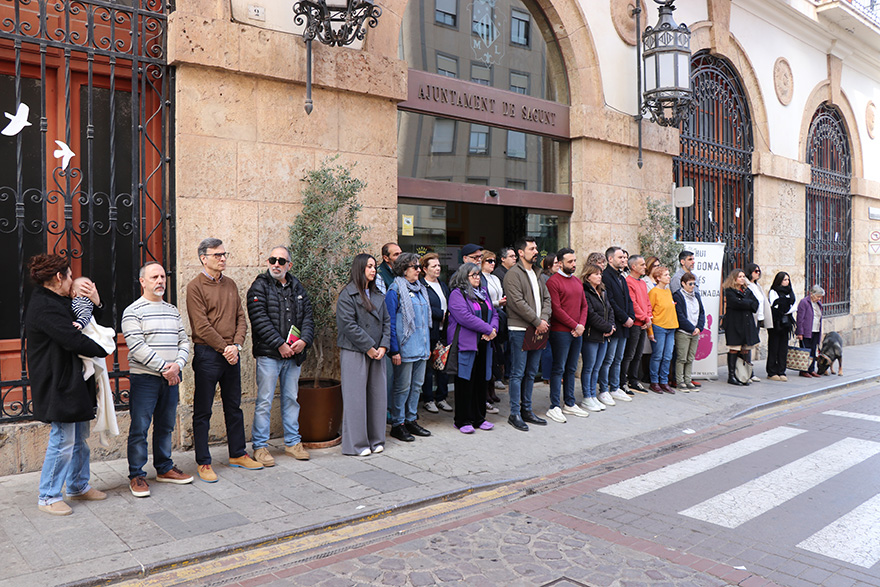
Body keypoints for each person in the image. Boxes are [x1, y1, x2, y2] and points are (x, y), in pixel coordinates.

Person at [26, 254, 110, 515]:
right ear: (59, 277)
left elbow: (86, 320)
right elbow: (72, 338)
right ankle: (48, 496)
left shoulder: (59, 300)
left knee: (80, 439)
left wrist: (96, 302)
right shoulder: (44, 305)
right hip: (58, 383)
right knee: (63, 440)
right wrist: (104, 349)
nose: (74, 281)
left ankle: (78, 485)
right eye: (70, 276)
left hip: (73, 382)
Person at [187, 238, 262, 483]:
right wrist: (225, 347)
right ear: (203, 258)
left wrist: (236, 346)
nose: (223, 258)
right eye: (217, 255)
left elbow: (241, 318)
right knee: (203, 410)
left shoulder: (230, 284)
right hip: (208, 354)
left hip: (232, 353)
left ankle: (238, 453)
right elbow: (201, 326)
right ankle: (203, 461)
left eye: (224, 254)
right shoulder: (195, 287)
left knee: (234, 406)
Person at [122, 262, 193, 498]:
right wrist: (165, 367)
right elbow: (136, 346)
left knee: (166, 425)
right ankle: (137, 475)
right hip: (145, 379)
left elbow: (184, 341)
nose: (160, 281)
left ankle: (164, 468)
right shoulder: (133, 311)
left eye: (162, 276)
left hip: (171, 377)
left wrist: (178, 365)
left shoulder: (172, 310)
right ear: (143, 282)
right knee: (140, 428)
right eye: (154, 277)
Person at [246, 246, 315, 466]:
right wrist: (280, 345)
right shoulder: (259, 286)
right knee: (265, 401)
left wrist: (304, 340)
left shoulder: (298, 287)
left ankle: (293, 443)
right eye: (273, 260)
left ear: (289, 265)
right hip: (269, 355)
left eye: (281, 261)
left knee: (291, 399)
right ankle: (260, 447)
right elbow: (259, 320)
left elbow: (308, 317)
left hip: (293, 356)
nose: (276, 264)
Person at [337, 254, 391, 456]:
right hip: (355, 351)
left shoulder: (378, 294)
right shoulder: (347, 295)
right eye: (369, 266)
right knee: (355, 398)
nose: (373, 270)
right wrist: (369, 346)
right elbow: (347, 325)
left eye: (374, 266)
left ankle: (377, 439)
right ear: (359, 268)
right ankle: (357, 444)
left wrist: (384, 346)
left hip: (378, 352)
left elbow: (387, 322)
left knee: (377, 396)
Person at [502, 237, 551, 431]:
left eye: (536, 248)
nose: (536, 251)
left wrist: (544, 320)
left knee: (531, 372)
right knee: (517, 373)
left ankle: (527, 410)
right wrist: (538, 322)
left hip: (538, 329)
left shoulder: (538, 273)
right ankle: (514, 413)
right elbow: (516, 303)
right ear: (521, 252)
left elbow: (547, 299)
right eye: (532, 248)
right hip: (520, 330)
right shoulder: (513, 274)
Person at [447, 263, 499, 433]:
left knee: (480, 382)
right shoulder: (457, 294)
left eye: (478, 274)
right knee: (465, 383)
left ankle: (479, 418)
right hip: (466, 345)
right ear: (464, 277)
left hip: (485, 344)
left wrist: (494, 330)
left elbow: (495, 313)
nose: (477, 277)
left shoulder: (483, 293)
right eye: (473, 275)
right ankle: (462, 420)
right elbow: (465, 317)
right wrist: (487, 329)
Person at [386, 252, 432, 442]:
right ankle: (398, 424)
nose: (419, 271)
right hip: (405, 348)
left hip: (421, 347)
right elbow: (390, 323)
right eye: (416, 267)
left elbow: (424, 321)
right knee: (402, 387)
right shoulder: (395, 290)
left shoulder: (421, 289)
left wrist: (427, 346)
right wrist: (394, 350)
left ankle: (411, 419)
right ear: (404, 270)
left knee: (417, 386)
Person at [545, 248, 591, 423]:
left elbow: (584, 306)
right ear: (560, 262)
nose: (574, 264)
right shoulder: (553, 282)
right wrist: (575, 325)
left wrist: (581, 326)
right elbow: (556, 309)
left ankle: (569, 403)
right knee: (559, 369)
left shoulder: (578, 282)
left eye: (574, 261)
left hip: (576, 331)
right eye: (570, 261)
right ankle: (554, 406)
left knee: (572, 369)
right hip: (560, 332)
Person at [599, 246, 634, 404]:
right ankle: (604, 389)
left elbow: (628, 299)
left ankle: (615, 386)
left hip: (625, 324)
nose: (623, 260)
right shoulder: (606, 276)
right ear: (610, 259)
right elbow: (610, 301)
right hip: (615, 323)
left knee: (619, 358)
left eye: (624, 257)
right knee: (609, 359)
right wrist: (624, 318)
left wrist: (631, 316)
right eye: (620, 257)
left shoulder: (621, 277)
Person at [419, 253, 452, 414]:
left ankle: (441, 397)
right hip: (428, 332)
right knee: (428, 368)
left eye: (439, 265)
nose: (438, 268)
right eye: (434, 266)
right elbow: (423, 307)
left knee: (443, 366)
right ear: (424, 269)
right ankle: (428, 399)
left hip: (443, 332)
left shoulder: (443, 285)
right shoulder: (421, 285)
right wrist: (442, 314)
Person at [580, 264, 615, 412]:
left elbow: (610, 309)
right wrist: (606, 327)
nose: (599, 276)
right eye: (596, 274)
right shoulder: (585, 291)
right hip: (591, 335)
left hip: (604, 335)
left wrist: (612, 326)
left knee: (597, 367)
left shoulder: (602, 291)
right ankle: (586, 396)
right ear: (588, 276)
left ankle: (593, 395)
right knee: (588, 367)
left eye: (600, 274)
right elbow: (591, 315)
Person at [721, 268, 760, 386]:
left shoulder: (747, 290)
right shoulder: (730, 290)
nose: (742, 278)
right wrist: (747, 303)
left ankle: (743, 375)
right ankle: (731, 376)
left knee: (745, 349)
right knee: (734, 348)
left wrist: (745, 302)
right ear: (734, 278)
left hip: (747, 324)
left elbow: (755, 304)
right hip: (735, 324)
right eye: (740, 277)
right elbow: (735, 303)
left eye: (743, 276)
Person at [622, 255, 651, 394]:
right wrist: (645, 318)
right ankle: (623, 381)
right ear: (633, 267)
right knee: (629, 354)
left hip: (643, 323)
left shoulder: (642, 283)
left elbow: (647, 302)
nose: (645, 267)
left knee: (638, 353)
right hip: (634, 323)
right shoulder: (628, 282)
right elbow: (632, 304)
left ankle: (634, 380)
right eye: (642, 264)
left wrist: (648, 317)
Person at [672, 272, 705, 391]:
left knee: (690, 357)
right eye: (690, 284)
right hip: (683, 332)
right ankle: (680, 381)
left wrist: (699, 328)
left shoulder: (696, 295)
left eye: (694, 284)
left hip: (695, 332)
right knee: (682, 358)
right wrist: (691, 328)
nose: (692, 286)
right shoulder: (678, 296)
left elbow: (702, 312)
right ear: (683, 284)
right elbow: (680, 316)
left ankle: (688, 379)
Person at [647, 266, 678, 394]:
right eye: (665, 275)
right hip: (659, 327)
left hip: (671, 327)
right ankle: (654, 382)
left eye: (668, 274)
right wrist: (650, 332)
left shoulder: (668, 291)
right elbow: (649, 312)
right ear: (658, 278)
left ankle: (664, 381)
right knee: (657, 355)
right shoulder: (654, 292)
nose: (668, 277)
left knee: (667, 356)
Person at [481, 251, 506, 405]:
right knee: (487, 358)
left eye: (494, 261)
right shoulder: (479, 278)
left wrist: (500, 302)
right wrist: (497, 303)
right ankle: (486, 391)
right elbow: (485, 301)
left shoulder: (495, 277)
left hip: (498, 318)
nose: (492, 263)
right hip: (487, 317)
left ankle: (492, 388)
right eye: (488, 261)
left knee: (497, 356)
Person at [766, 271, 796, 381]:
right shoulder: (773, 291)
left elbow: (793, 304)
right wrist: (784, 305)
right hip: (775, 322)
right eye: (784, 279)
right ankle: (772, 371)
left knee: (783, 348)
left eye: (788, 279)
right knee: (774, 347)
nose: (787, 282)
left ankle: (781, 370)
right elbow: (775, 304)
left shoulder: (790, 292)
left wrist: (785, 305)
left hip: (786, 323)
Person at [744, 263, 766, 383]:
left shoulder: (757, 285)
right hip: (751, 318)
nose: (758, 273)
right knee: (747, 346)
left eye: (759, 271)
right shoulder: (747, 285)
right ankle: (747, 372)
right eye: (755, 271)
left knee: (751, 345)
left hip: (758, 318)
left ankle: (750, 372)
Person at [796, 285, 825, 378]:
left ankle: (811, 369)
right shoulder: (804, 302)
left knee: (813, 351)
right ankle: (803, 370)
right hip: (806, 331)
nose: (819, 298)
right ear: (812, 294)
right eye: (818, 296)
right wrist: (800, 332)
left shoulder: (818, 304)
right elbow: (800, 319)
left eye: (820, 297)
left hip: (816, 330)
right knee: (805, 351)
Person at [538, 253, 558, 383]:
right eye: (556, 263)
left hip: (556, 319)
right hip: (547, 317)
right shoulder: (544, 278)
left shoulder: (558, 277)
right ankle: (546, 375)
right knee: (547, 349)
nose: (559, 265)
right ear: (549, 265)